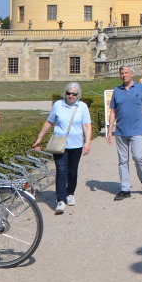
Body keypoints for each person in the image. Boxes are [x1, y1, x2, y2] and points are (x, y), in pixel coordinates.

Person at [31, 83, 92, 214]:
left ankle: (70, 193)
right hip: (60, 145)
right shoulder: (58, 105)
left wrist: (87, 143)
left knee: (72, 172)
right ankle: (60, 200)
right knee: (61, 171)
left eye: (74, 94)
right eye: (68, 93)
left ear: (78, 95)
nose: (71, 96)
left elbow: (87, 125)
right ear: (65, 93)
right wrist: (40, 138)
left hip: (76, 145)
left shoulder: (82, 107)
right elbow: (49, 122)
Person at [106, 64, 142, 200]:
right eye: (122, 73)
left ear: (132, 74)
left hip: (137, 130)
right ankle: (125, 188)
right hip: (120, 131)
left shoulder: (141, 88)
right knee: (123, 161)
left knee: (138, 157)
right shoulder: (117, 90)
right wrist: (110, 131)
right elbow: (113, 112)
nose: (124, 75)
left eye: (126, 73)